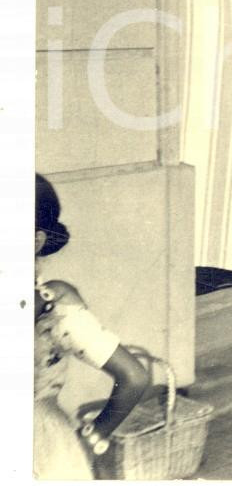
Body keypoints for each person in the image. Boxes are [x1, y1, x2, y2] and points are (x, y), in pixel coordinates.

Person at [34, 173, 150, 479]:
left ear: (35, 241)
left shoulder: (55, 305)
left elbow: (134, 377)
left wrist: (95, 436)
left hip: (39, 450)